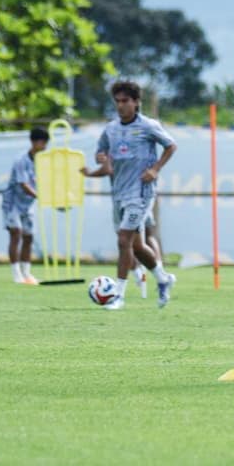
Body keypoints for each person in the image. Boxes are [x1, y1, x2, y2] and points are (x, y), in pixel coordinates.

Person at [82, 80, 177, 310]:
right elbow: (100, 151)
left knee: (123, 240)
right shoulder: (111, 128)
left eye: (126, 101)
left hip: (141, 193)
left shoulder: (148, 126)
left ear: (136, 103)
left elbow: (171, 146)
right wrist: (101, 158)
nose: (121, 105)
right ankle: (163, 278)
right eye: (118, 101)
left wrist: (155, 169)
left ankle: (118, 296)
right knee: (135, 246)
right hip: (119, 192)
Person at [2, 128, 49, 284]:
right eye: (42, 143)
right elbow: (23, 184)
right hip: (13, 203)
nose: (44, 146)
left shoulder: (43, 161)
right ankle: (17, 274)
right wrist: (40, 196)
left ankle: (27, 273)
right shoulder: (21, 160)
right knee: (16, 233)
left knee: (29, 237)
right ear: (34, 142)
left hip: (28, 205)